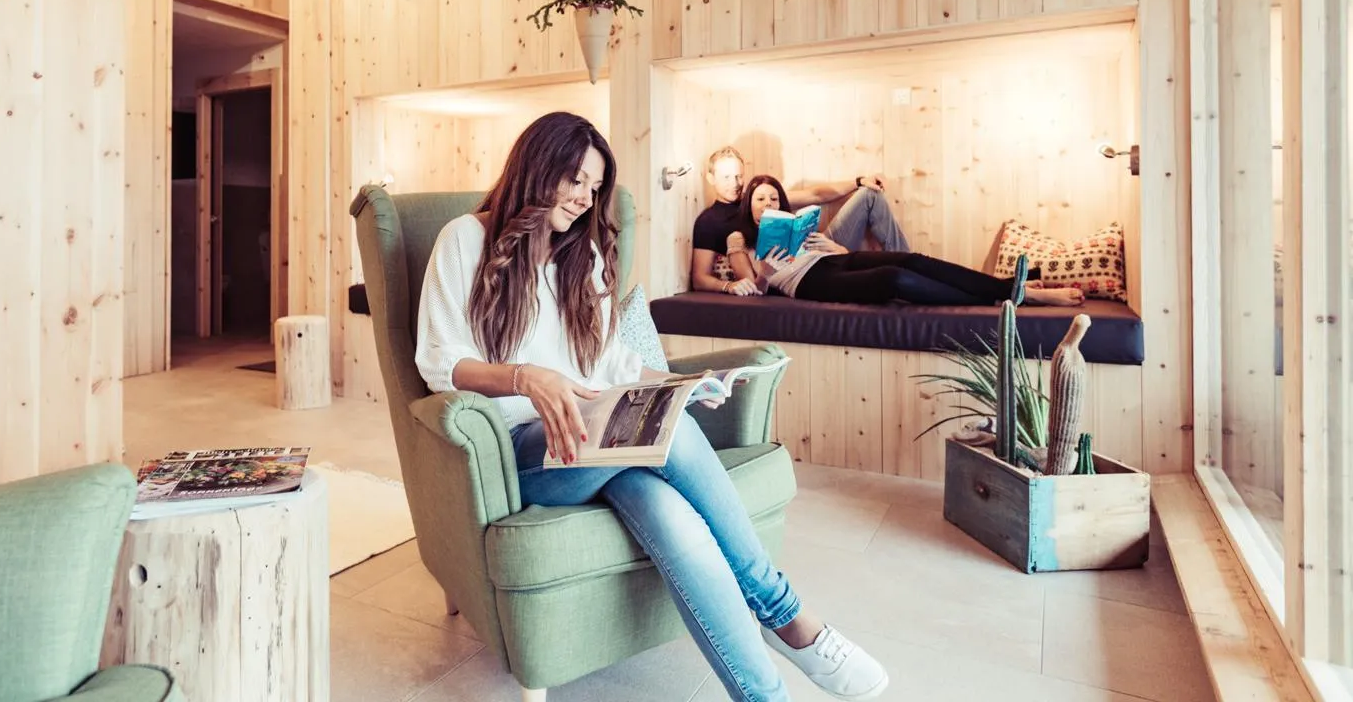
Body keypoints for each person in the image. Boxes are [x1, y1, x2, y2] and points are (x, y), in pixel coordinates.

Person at [415, 112, 890, 702]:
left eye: (594, 188)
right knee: (675, 436)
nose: (584, 199)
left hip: (597, 438)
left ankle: (764, 695)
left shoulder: (581, 256)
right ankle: (786, 614)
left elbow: (612, 364)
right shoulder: (465, 239)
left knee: (666, 504)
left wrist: (683, 384)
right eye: (575, 180)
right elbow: (439, 362)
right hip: (526, 449)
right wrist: (524, 378)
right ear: (537, 165)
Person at [727, 175, 1084, 308]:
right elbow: (753, 287)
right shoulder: (741, 238)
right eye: (761, 199)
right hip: (808, 282)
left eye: (774, 198)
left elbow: (818, 200)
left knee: (910, 260)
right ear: (749, 204)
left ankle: (1009, 288)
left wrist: (837, 249)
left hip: (831, 259)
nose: (769, 203)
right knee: (893, 279)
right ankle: (1013, 295)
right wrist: (766, 271)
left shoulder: (788, 221)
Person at [690, 146, 908, 295]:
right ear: (711, 178)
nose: (735, 183)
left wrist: (859, 181)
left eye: (739, 176)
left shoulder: (760, 195)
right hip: (784, 272)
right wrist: (729, 286)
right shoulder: (709, 222)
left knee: (869, 194)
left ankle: (905, 261)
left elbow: (816, 195)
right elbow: (699, 278)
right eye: (726, 177)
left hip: (813, 249)